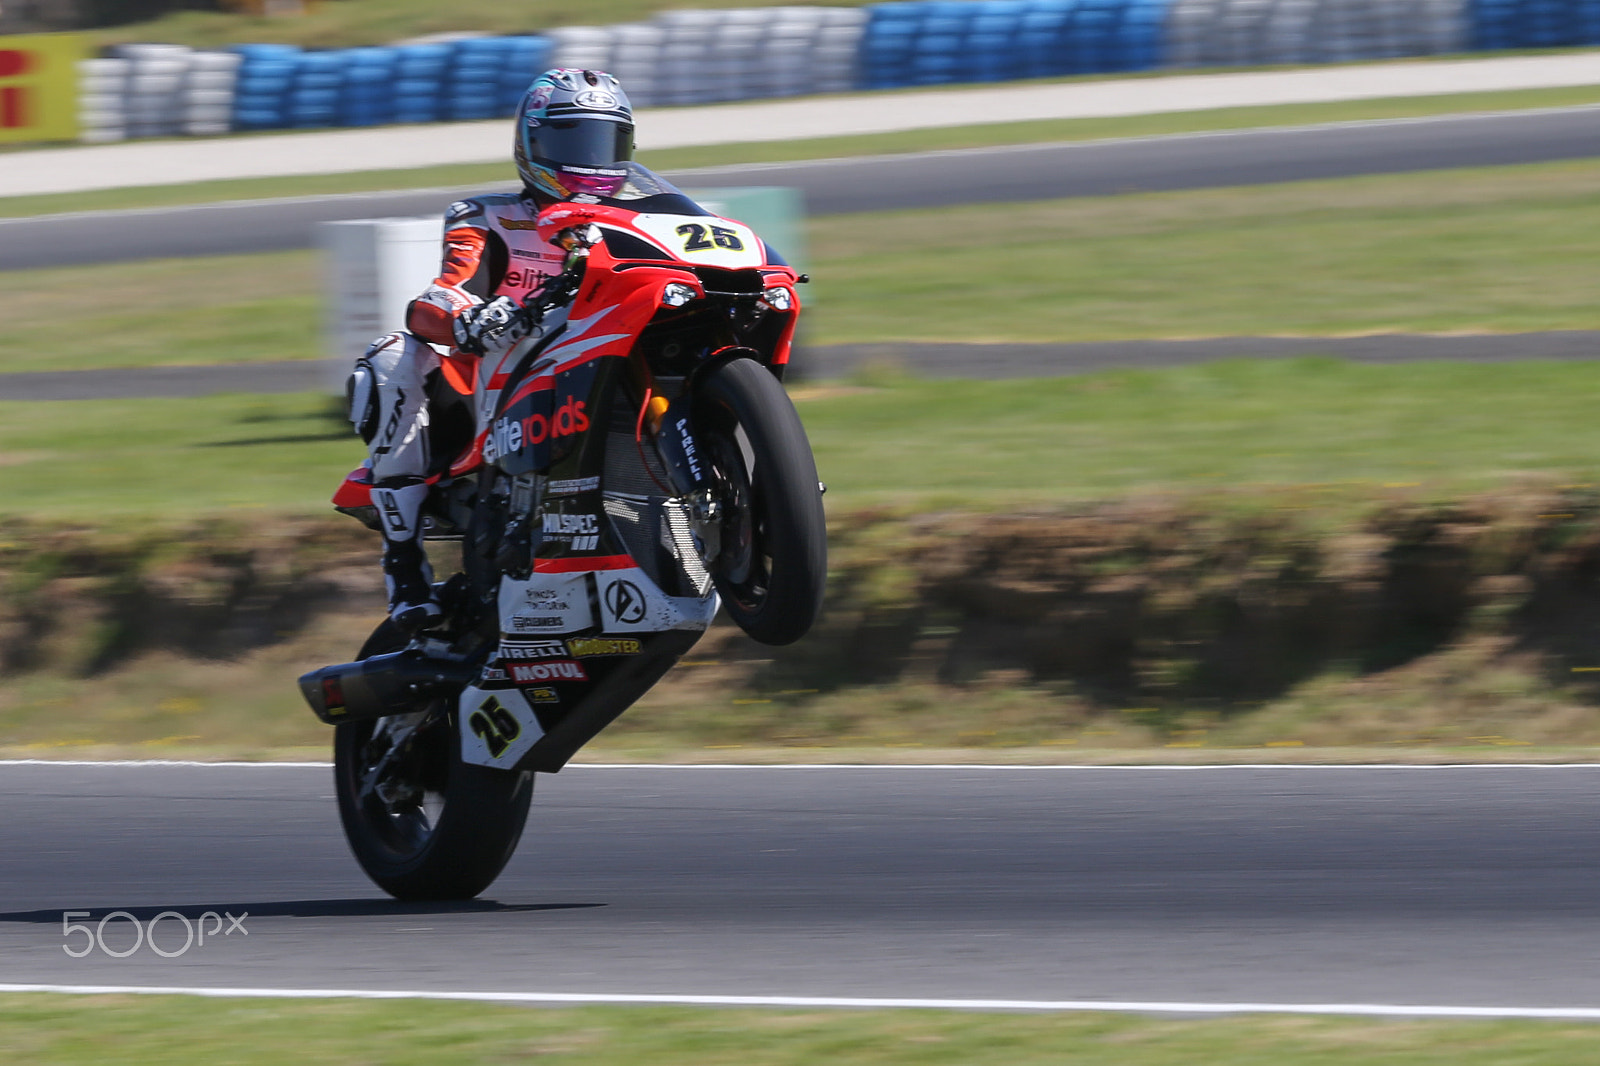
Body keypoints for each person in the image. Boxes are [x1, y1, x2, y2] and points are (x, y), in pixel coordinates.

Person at [345, 68, 635, 632]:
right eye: (573, 144)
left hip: (610, 369)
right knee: (390, 357)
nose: (591, 163)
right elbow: (439, 296)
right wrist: (471, 318)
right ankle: (404, 566)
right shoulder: (488, 217)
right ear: (531, 145)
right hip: (508, 395)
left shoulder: (640, 217)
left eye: (605, 145)